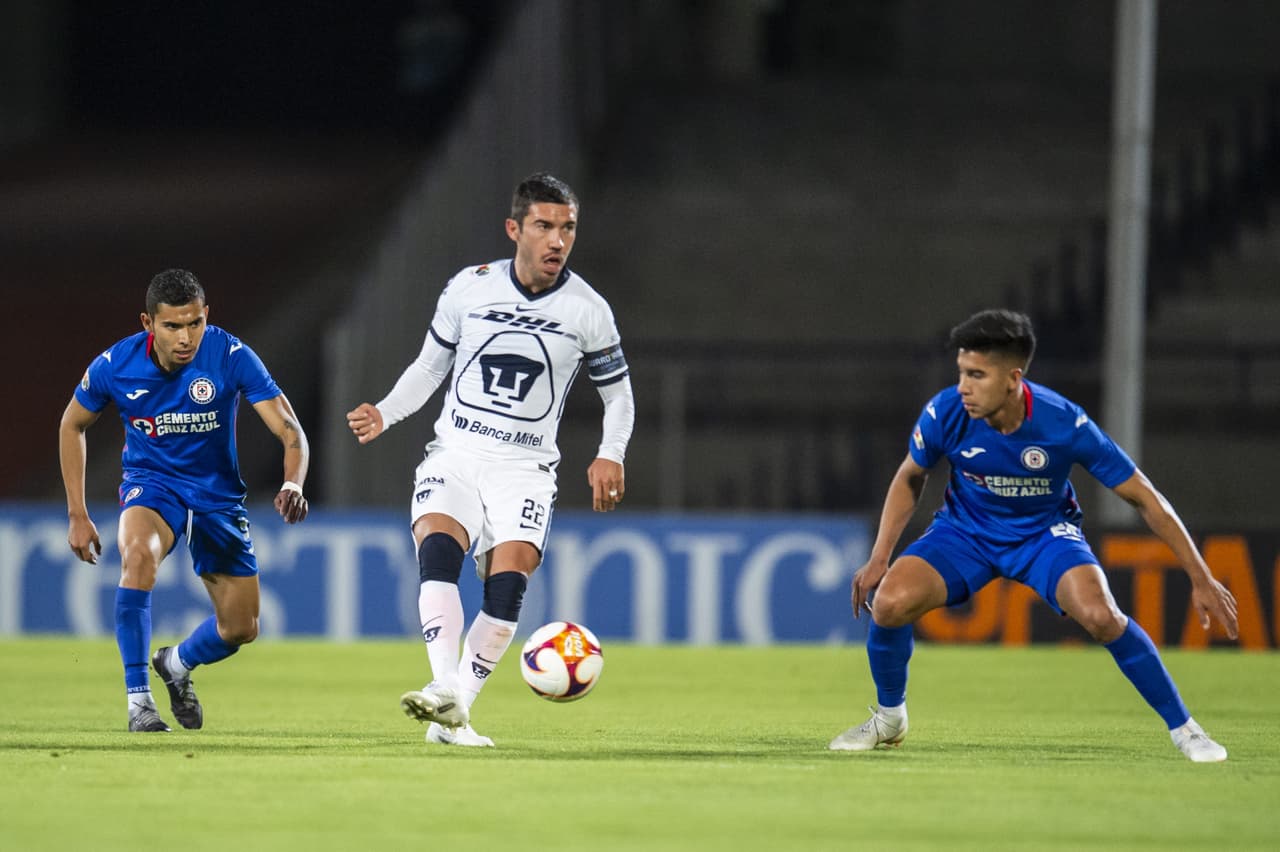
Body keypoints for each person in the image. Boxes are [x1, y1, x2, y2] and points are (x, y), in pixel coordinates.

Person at [830, 309, 1238, 762]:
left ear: (1012, 378)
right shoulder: (945, 411)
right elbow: (911, 476)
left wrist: (1201, 577)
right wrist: (880, 556)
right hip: (966, 533)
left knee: (1101, 615)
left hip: (1044, 535)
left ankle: (1187, 729)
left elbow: (1145, 498)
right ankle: (889, 718)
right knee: (888, 602)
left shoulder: (1064, 423)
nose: (963, 385)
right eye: (962, 372)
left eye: (977, 375)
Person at [347, 172, 634, 748]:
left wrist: (611, 454)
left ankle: (457, 711)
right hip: (455, 453)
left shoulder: (588, 310)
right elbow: (431, 367)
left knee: (506, 589)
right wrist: (386, 412)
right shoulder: (468, 288)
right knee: (438, 553)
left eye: (568, 228)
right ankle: (443, 686)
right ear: (514, 229)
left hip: (524, 469)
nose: (558, 240)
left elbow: (618, 394)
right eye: (544, 226)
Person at [60, 269, 310, 733]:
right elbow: (72, 424)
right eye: (173, 326)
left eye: (194, 323)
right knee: (137, 557)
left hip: (218, 498)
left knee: (241, 628)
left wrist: (293, 483)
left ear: (206, 316)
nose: (186, 337)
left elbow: (289, 430)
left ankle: (176, 663)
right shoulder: (115, 364)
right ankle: (139, 701)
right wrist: (78, 513)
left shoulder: (231, 354)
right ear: (147, 323)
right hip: (153, 486)